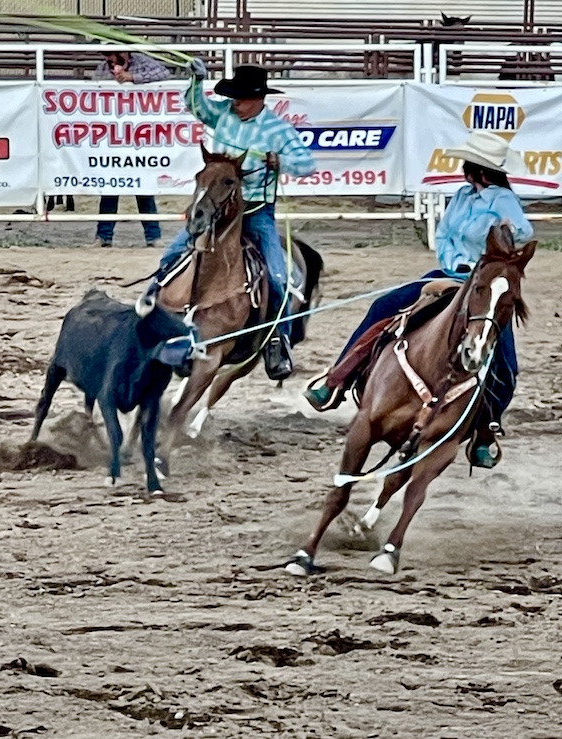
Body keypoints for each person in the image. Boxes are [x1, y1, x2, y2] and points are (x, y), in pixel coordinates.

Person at [304, 130, 534, 468]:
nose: (463, 170)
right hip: (448, 275)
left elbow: (523, 233)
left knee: (505, 364)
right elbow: (444, 233)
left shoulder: (503, 200)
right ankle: (338, 378)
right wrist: (451, 263)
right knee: (383, 307)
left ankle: (485, 431)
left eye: (467, 165)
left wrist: (503, 236)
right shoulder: (462, 195)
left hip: (483, 285)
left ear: (479, 170)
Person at [155, 59, 316, 378]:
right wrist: (195, 81)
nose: (235, 104)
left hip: (255, 211)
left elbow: (306, 164)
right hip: (217, 208)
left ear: (258, 99)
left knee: (277, 276)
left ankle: (277, 342)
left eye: (240, 99)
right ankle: (151, 316)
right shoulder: (224, 114)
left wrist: (278, 160)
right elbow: (197, 107)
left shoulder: (278, 130)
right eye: (233, 98)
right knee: (171, 255)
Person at [92, 49, 172, 248]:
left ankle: (152, 236)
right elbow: (94, 87)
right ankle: (104, 236)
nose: (109, 60)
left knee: (143, 187)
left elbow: (163, 74)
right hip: (115, 135)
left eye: (112, 56)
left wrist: (132, 78)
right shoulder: (103, 69)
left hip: (140, 135)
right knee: (111, 186)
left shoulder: (142, 61)